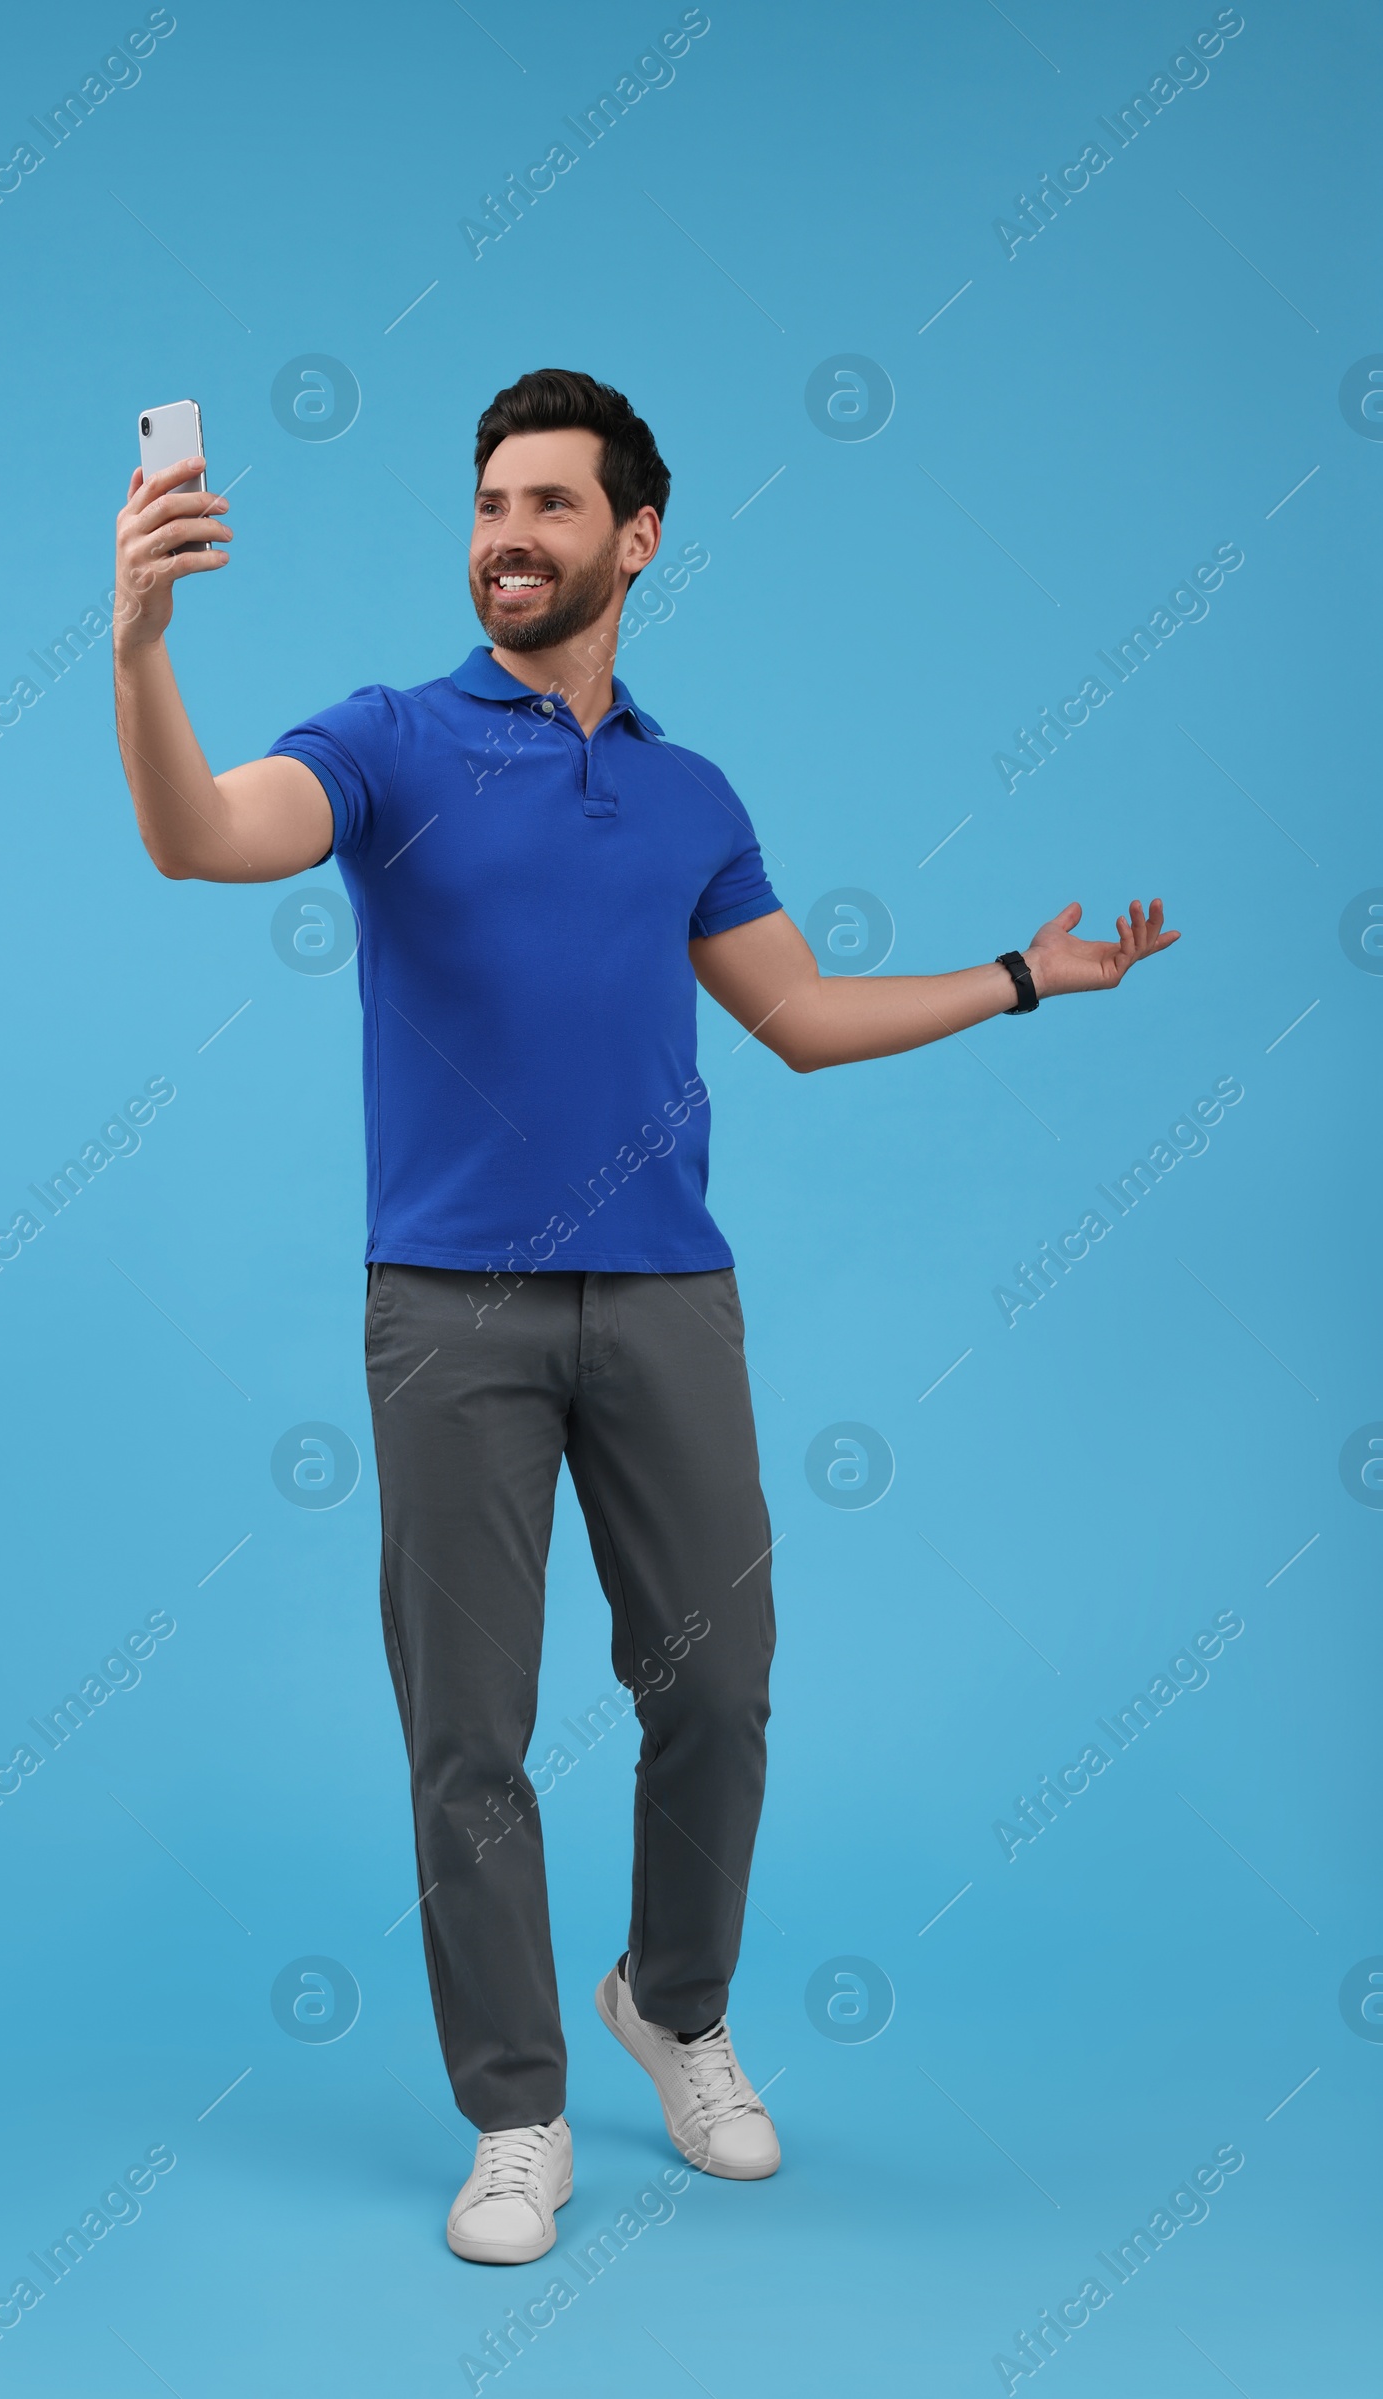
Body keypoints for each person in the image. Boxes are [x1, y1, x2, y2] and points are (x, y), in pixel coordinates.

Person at [112, 367, 1178, 2267]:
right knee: (472, 1731)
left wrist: (1030, 975)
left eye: (545, 505)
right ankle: (517, 2113)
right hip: (450, 1308)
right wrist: (142, 645)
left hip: (671, 1294)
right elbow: (201, 836)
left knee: (719, 1686)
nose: (504, 537)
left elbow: (803, 1016)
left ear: (637, 535)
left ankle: (670, 2007)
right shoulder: (387, 743)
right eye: (486, 504)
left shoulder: (690, 790)